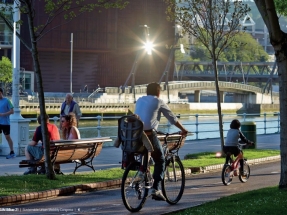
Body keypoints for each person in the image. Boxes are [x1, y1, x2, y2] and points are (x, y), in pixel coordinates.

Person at [134, 82, 188, 201]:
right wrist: (183, 130)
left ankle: (143, 172)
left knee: (148, 152)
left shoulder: (139, 100)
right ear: (158, 92)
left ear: (147, 92)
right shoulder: (158, 101)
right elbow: (172, 118)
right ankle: (156, 189)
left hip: (135, 134)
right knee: (161, 160)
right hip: (149, 133)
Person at [0, 88, 15, 159]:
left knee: (7, 137)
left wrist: (3, 114)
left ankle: (12, 152)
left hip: (5, 123)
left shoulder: (7, 100)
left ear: (2, 93)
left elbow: (12, 111)